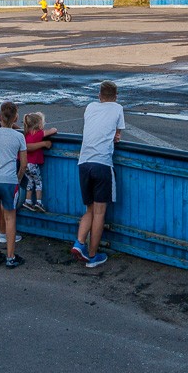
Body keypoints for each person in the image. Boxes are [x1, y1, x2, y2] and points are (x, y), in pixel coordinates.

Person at [71, 80, 124, 269]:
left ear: (99, 95)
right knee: (100, 213)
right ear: (116, 96)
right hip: (102, 163)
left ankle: (79, 243)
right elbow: (117, 135)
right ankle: (93, 256)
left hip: (84, 163)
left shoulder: (90, 107)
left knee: (89, 210)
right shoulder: (118, 108)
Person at [0, 102, 28, 268]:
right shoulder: (19, 137)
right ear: (16, 118)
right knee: (10, 218)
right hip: (8, 180)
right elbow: (23, 164)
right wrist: (18, 178)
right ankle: (10, 256)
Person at [21, 111, 57, 212]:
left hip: (25, 163)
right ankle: (39, 202)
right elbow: (53, 130)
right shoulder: (39, 133)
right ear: (38, 124)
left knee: (30, 180)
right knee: (38, 182)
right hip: (33, 163)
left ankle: (27, 201)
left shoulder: (26, 134)